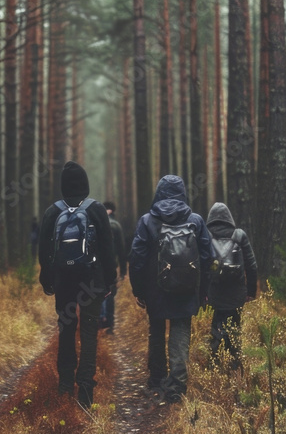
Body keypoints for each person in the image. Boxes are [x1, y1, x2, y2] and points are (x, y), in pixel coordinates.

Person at [38, 161, 117, 409]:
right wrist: (111, 278)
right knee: (89, 332)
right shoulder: (95, 209)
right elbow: (107, 247)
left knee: (66, 330)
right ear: (85, 183)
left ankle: (64, 387)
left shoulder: (52, 212)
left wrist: (47, 279)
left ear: (63, 185)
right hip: (92, 280)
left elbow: (44, 250)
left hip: (64, 282)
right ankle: (85, 388)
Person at [129, 175, 212, 403]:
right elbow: (208, 257)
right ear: (183, 193)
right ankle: (176, 386)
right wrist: (202, 290)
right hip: (186, 289)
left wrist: (138, 289)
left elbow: (136, 258)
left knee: (156, 331)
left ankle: (156, 380)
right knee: (180, 332)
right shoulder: (195, 220)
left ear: (159, 192)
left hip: (155, 288)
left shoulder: (147, 221)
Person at [205, 202, 258, 370]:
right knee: (234, 328)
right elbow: (252, 265)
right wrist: (250, 291)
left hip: (215, 292)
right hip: (236, 293)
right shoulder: (239, 235)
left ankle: (213, 366)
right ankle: (234, 368)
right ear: (229, 217)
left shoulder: (206, 235)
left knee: (216, 327)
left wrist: (203, 293)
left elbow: (202, 265)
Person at [99, 201, 126, 332]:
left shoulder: (96, 223)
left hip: (97, 266)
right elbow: (121, 251)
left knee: (97, 292)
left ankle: (99, 320)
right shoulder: (116, 226)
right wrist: (123, 272)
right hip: (111, 265)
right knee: (110, 293)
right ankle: (110, 324)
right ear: (113, 211)